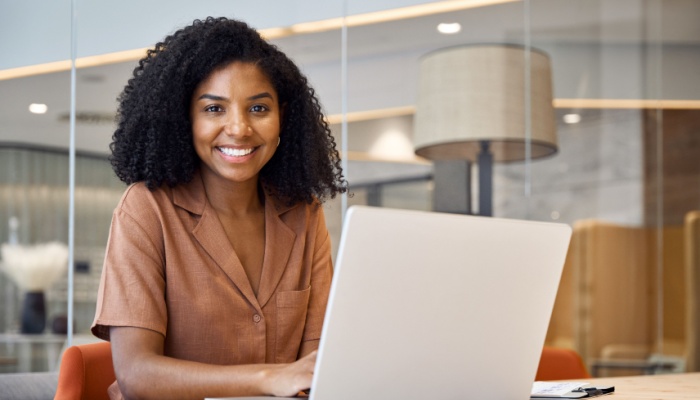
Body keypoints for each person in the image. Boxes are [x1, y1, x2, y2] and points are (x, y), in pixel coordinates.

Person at [91, 17, 347, 400]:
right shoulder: (147, 209)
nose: (240, 128)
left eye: (258, 108)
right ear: (184, 118)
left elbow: (315, 364)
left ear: (283, 118)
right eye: (214, 110)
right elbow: (136, 374)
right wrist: (266, 378)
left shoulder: (303, 212)